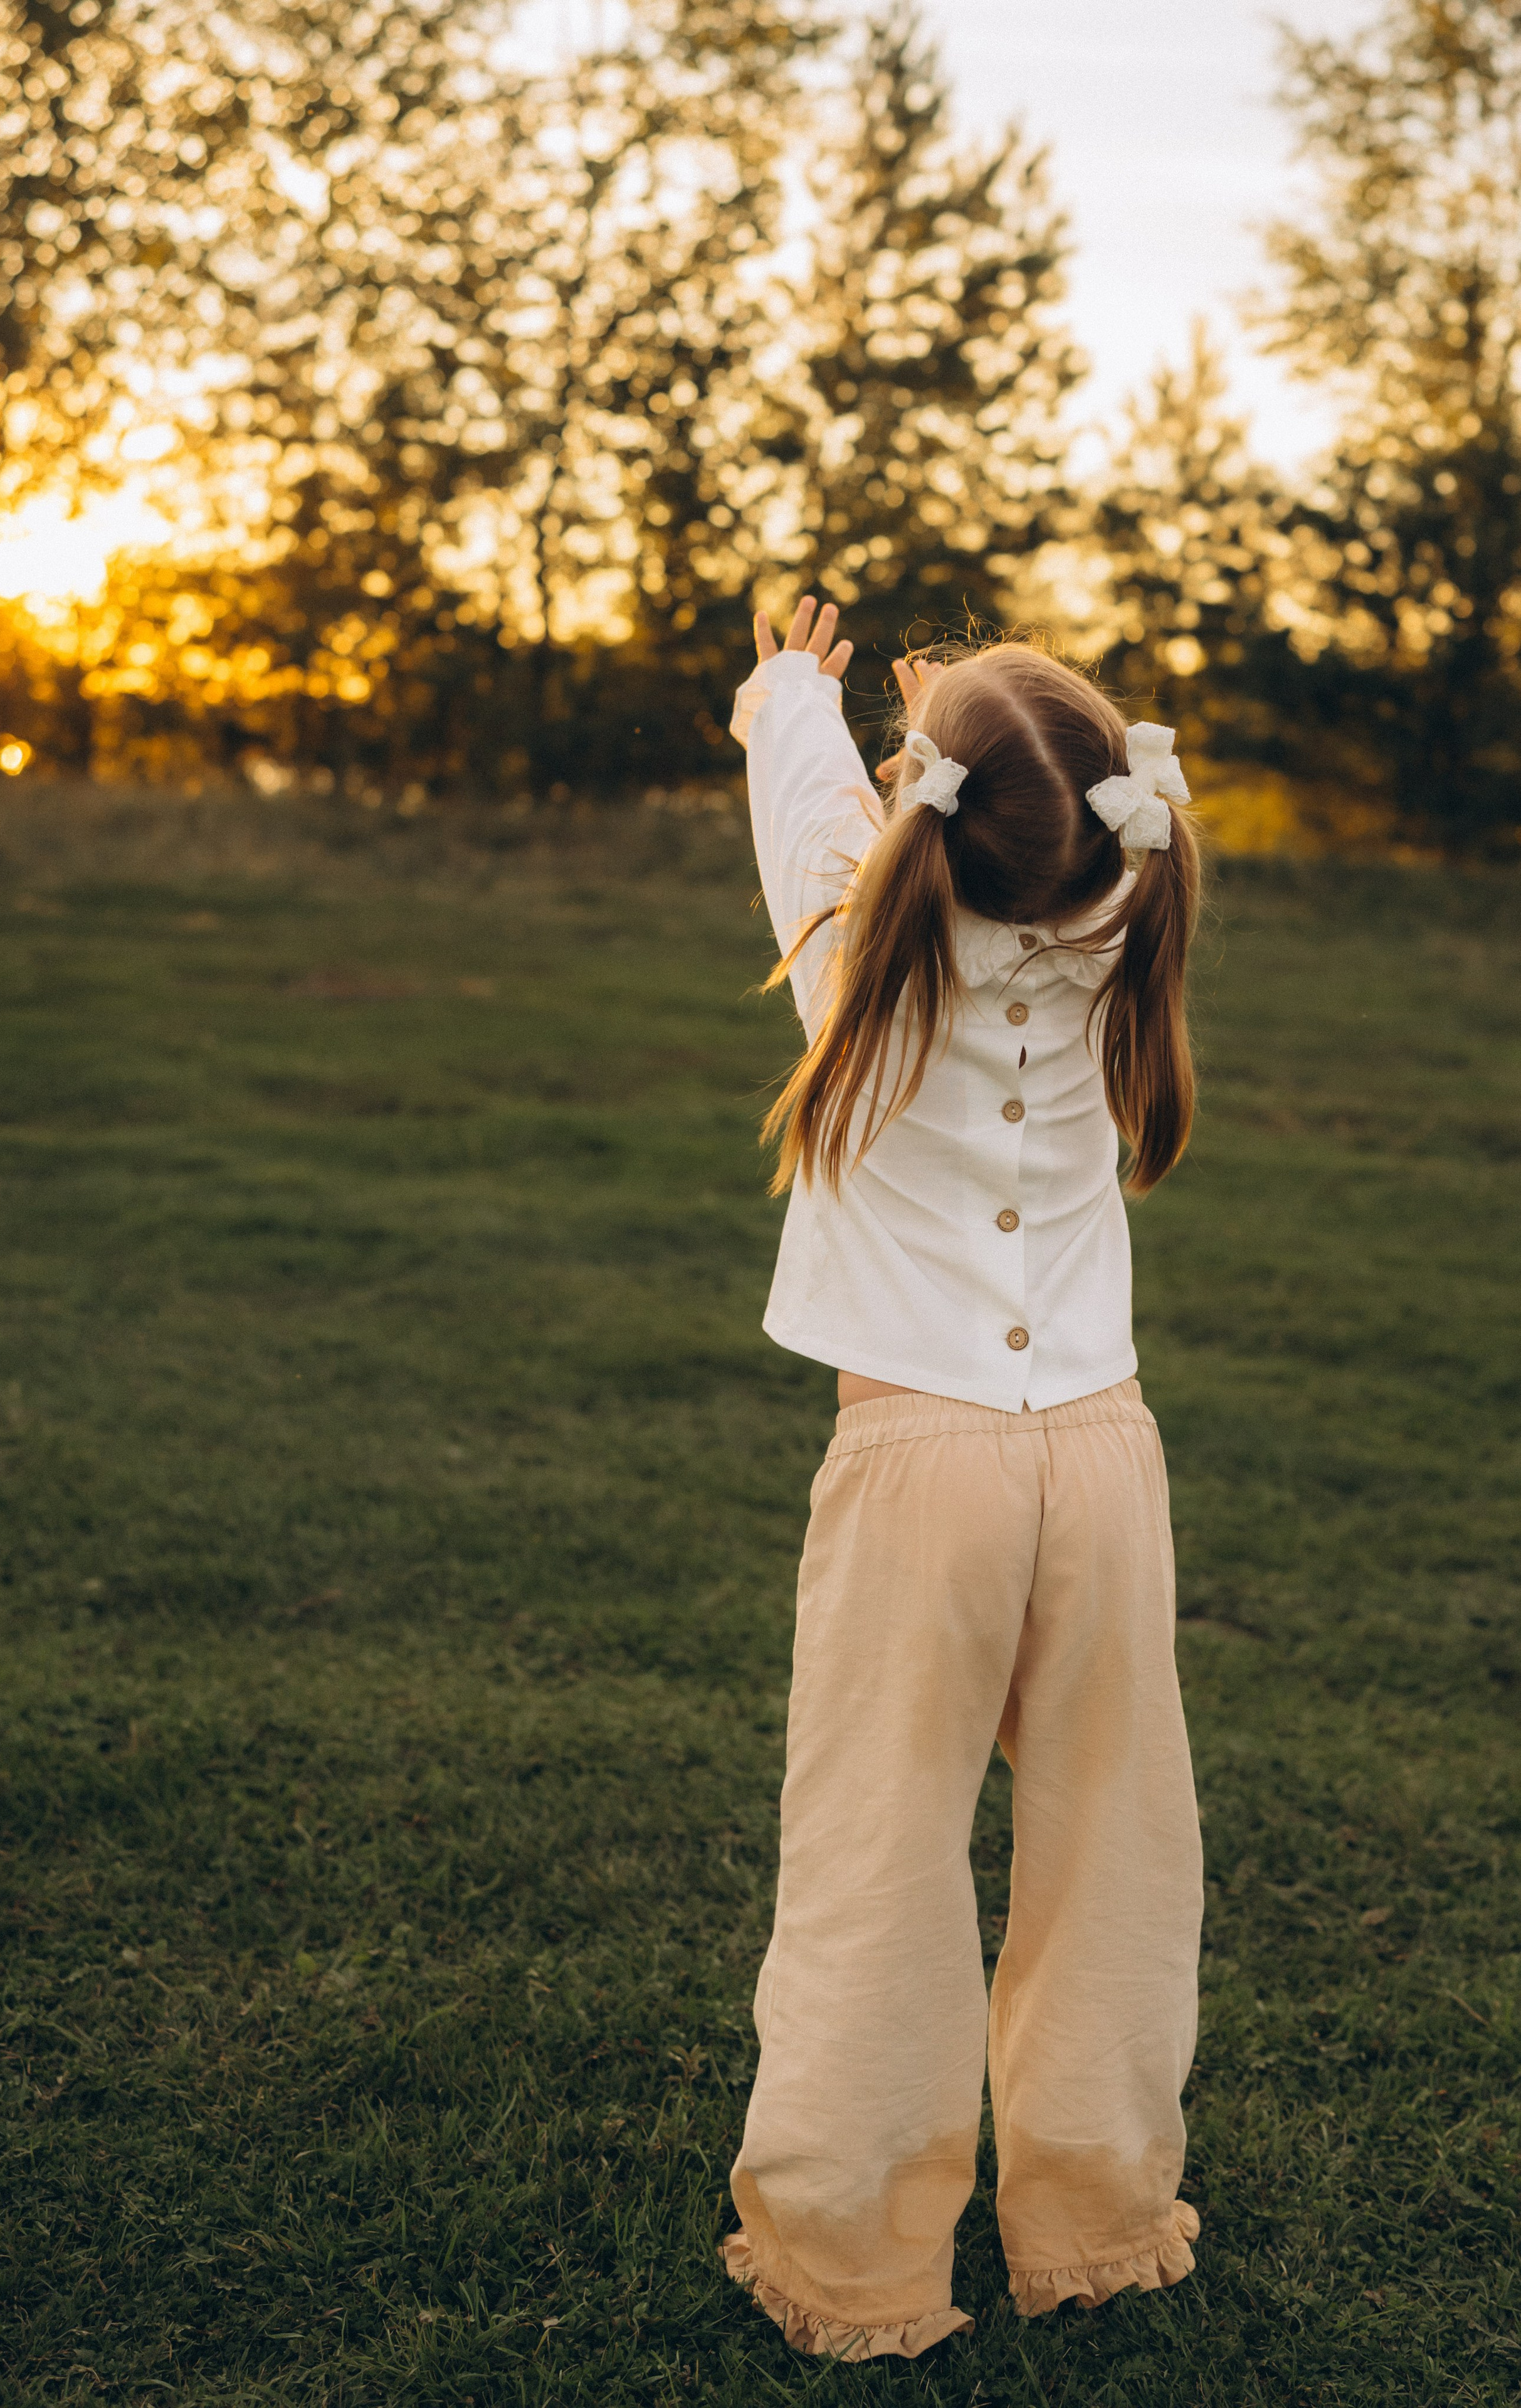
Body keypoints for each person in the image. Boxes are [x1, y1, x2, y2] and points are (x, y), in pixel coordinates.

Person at [718, 596, 1205, 2360]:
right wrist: (967, 724)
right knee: (1119, 1848)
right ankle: (1098, 2210)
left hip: (917, 1463)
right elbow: (1033, 801)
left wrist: (799, 682)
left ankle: (855, 2256)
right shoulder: (1133, 924)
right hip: (1104, 1456)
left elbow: (803, 796)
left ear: (919, 801)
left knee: (881, 1852)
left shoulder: (862, 941)